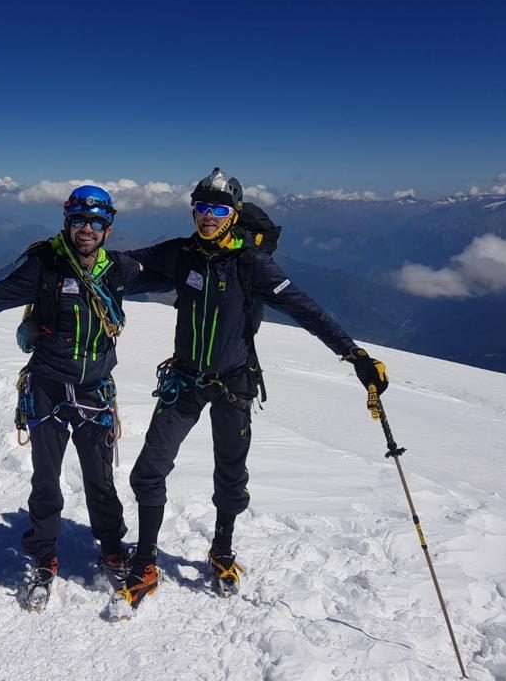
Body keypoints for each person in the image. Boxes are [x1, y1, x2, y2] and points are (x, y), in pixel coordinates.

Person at [114, 168, 388, 609]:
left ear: (233, 214)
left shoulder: (250, 263)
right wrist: (76, 257)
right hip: (185, 378)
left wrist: (354, 355)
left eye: (218, 209)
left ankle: (221, 551)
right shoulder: (181, 254)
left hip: (233, 384)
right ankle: (145, 560)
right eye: (201, 207)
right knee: (148, 470)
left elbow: (306, 310)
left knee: (230, 473)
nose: (207, 216)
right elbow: (127, 263)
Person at [0, 185, 145, 611]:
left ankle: (111, 546)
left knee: (100, 480)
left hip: (93, 391)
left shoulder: (119, 269)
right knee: (46, 481)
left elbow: (181, 259)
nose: (85, 229)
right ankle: (43, 557)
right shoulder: (45, 265)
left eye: (94, 222)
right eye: (78, 221)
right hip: (49, 389)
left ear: (108, 227)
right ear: (67, 222)